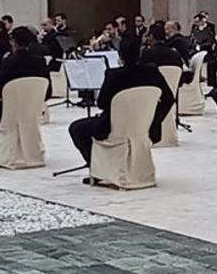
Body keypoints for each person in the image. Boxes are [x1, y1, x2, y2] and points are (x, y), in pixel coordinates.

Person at [67, 36, 175, 177]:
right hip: (144, 126)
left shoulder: (114, 75)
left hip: (114, 128)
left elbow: (101, 104)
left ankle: (97, 169)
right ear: (141, 53)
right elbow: (169, 99)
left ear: (120, 54)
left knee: (77, 129)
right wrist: (154, 120)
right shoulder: (152, 72)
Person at [0, 26, 50, 135]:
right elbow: (48, 91)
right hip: (33, 107)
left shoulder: (7, 62)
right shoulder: (40, 61)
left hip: (11, 109)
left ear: (13, 42)